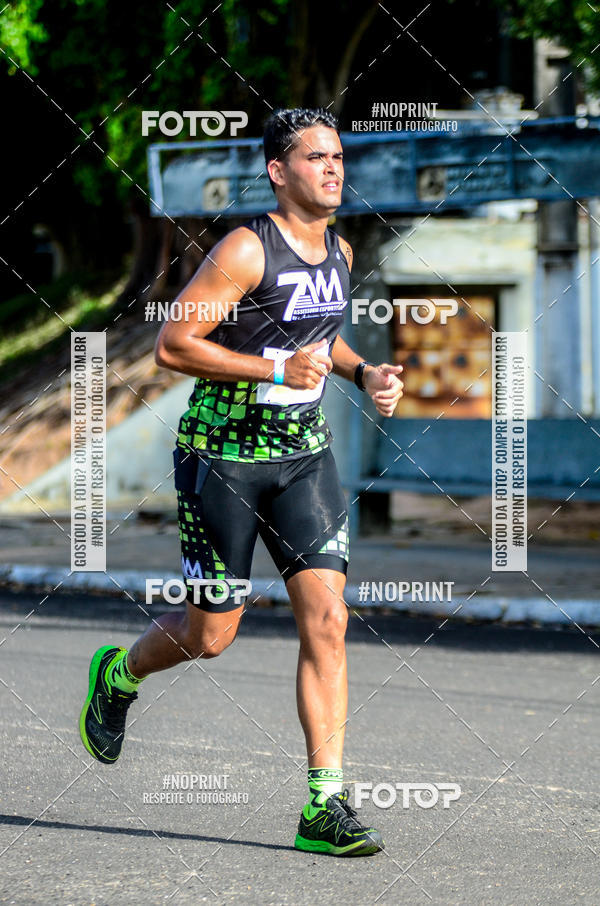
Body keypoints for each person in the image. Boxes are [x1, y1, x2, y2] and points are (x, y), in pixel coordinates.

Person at [80, 107, 403, 856]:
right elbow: (174, 344)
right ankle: (120, 674)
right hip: (221, 458)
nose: (333, 168)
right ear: (278, 171)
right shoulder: (246, 248)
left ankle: (324, 806)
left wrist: (362, 372)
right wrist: (273, 369)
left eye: (338, 156)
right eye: (316, 157)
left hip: (303, 457)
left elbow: (320, 335)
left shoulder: (341, 251)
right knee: (211, 634)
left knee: (327, 619)